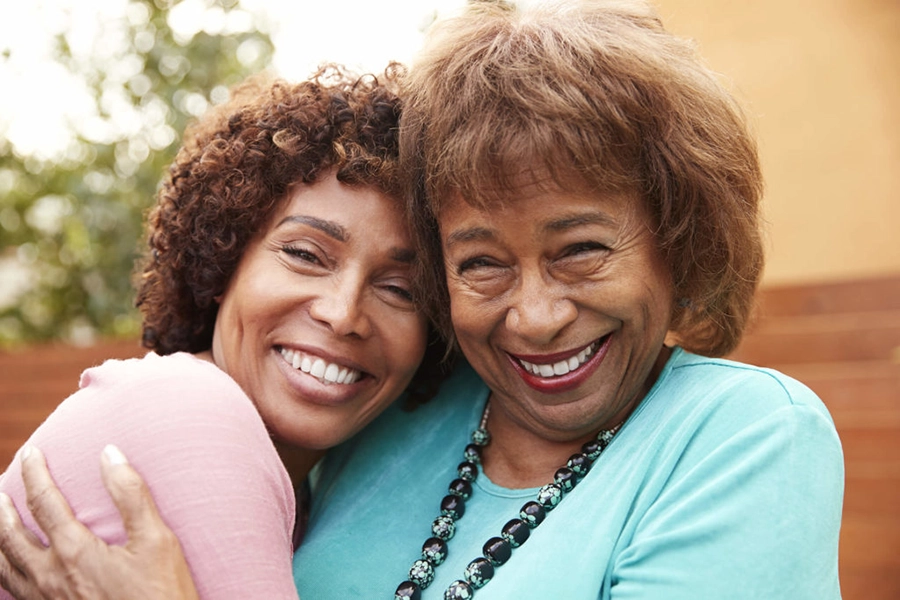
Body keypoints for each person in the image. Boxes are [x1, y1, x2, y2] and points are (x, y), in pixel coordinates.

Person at [0, 1, 844, 599]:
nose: (537, 314)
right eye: (482, 263)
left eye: (581, 250)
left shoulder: (745, 436)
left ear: (679, 240)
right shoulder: (396, 425)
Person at [0, 64, 447, 599]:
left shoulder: (307, 489)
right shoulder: (194, 409)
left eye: (402, 289)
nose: (343, 313)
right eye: (305, 254)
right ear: (222, 261)